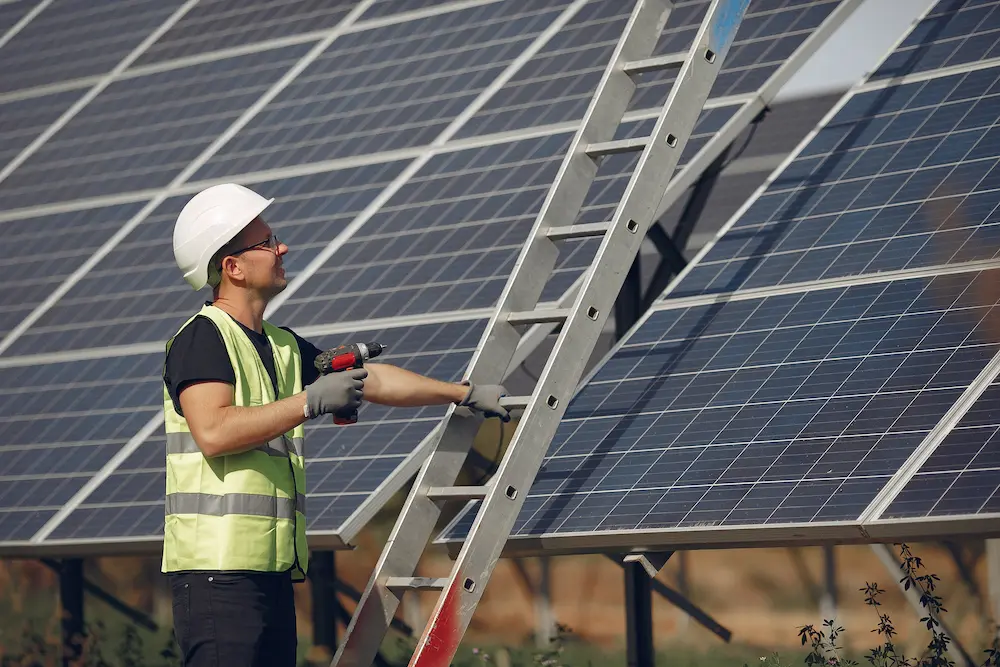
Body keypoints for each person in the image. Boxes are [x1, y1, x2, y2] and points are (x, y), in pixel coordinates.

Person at [162, 183, 510, 667]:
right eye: (265, 243)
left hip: (269, 570)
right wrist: (308, 402)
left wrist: (463, 393)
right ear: (232, 268)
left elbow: (370, 381)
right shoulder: (203, 339)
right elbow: (214, 432)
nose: (281, 248)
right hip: (217, 575)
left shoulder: (281, 345)